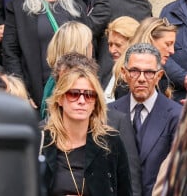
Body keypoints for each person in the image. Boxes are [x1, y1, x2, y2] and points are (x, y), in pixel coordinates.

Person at [2, 0, 88, 110]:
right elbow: (10, 52)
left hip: (73, 89)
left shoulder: (77, 7)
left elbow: (89, 50)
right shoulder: (20, 7)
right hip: (35, 90)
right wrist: (22, 92)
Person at [42, 67, 133, 196]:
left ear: (95, 102)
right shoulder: (42, 142)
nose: (82, 101)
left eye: (89, 95)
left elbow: (125, 191)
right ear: (60, 98)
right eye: (73, 94)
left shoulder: (110, 142)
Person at [108, 43, 182, 196]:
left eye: (149, 72)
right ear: (124, 73)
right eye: (135, 71)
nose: (141, 79)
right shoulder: (108, 113)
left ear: (159, 76)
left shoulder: (176, 115)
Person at [87, 0, 152, 96]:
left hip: (108, 78)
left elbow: (86, 34)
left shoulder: (107, 1)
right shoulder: (145, 6)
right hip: (135, 77)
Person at [40, 21, 93, 119]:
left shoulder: (53, 80)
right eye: (89, 43)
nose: (92, 47)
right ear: (81, 48)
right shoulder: (68, 83)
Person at [122, 17, 178, 98]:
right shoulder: (126, 79)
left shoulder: (162, 74)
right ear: (150, 40)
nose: (172, 51)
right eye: (168, 44)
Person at [102, 16, 140, 102]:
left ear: (133, 43)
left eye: (118, 45)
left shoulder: (137, 79)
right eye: (110, 44)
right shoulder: (108, 70)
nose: (112, 50)